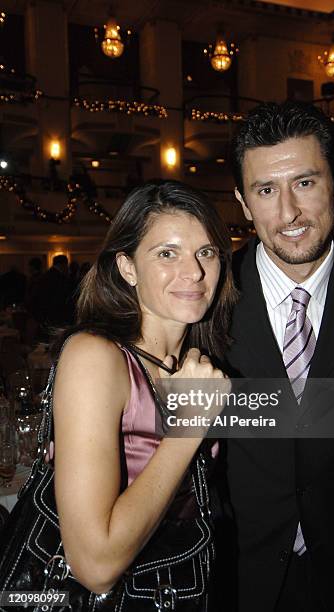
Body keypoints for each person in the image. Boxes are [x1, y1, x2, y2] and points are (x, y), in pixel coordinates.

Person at [223, 101, 334, 612]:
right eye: (265, 191)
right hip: (236, 576)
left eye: (305, 183)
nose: (288, 214)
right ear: (243, 202)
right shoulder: (206, 302)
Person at [51, 180, 236, 610]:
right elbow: (94, 566)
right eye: (167, 254)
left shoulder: (196, 364)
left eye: (206, 252)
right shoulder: (95, 357)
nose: (194, 272)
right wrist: (190, 426)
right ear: (127, 267)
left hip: (183, 587)